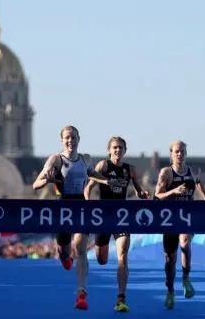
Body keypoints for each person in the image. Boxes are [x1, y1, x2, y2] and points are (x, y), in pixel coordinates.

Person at [32, 125, 124, 311]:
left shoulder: (85, 159)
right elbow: (36, 185)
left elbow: (92, 174)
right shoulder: (56, 160)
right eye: (67, 137)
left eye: (73, 137)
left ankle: (82, 292)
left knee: (81, 249)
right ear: (62, 140)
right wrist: (47, 181)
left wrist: (107, 180)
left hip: (81, 207)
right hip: (62, 208)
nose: (70, 141)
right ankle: (65, 258)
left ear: (78, 139)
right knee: (65, 251)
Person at [84, 136, 150, 313]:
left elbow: (138, 190)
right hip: (104, 218)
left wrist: (143, 194)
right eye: (114, 148)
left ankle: (121, 298)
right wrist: (88, 203)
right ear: (109, 150)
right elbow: (87, 188)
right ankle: (102, 253)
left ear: (125, 151)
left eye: (121, 148)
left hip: (122, 218)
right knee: (102, 259)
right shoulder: (102, 166)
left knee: (122, 256)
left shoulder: (130, 170)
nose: (118, 151)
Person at [154, 140, 205, 310]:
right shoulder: (167, 173)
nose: (180, 154)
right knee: (170, 259)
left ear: (186, 152)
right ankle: (170, 290)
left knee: (185, 242)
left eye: (182, 151)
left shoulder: (193, 171)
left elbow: (199, 183)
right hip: (170, 219)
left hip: (187, 217)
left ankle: (186, 279)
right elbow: (157, 196)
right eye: (176, 151)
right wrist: (174, 192)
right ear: (171, 153)